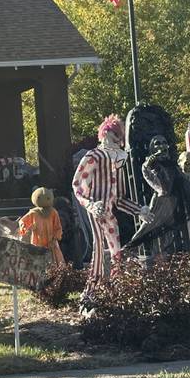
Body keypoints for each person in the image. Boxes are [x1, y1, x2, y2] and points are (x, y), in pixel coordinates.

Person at [72, 114, 153, 285]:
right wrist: (91, 205)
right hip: (96, 209)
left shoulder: (117, 163)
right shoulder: (93, 156)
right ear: (105, 134)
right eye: (114, 136)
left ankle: (116, 286)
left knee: (116, 250)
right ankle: (92, 288)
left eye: (119, 138)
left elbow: (119, 198)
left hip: (107, 212)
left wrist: (139, 210)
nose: (117, 142)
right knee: (99, 246)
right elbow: (78, 186)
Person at [18, 187, 64, 265]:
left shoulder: (53, 212)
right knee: (37, 260)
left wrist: (55, 237)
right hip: (37, 241)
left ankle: (54, 274)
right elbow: (22, 222)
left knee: (54, 260)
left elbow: (58, 227)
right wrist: (28, 228)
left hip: (51, 242)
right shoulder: (33, 213)